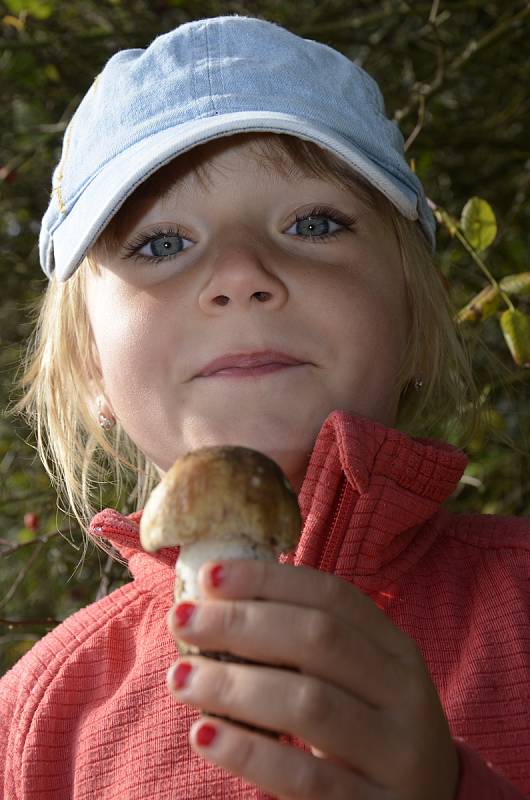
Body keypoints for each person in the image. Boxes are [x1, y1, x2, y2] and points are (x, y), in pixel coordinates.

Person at [1, 13, 528, 800]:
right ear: (90, 373)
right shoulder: (38, 719)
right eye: (160, 244)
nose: (241, 272)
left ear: (416, 323)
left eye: (314, 224)